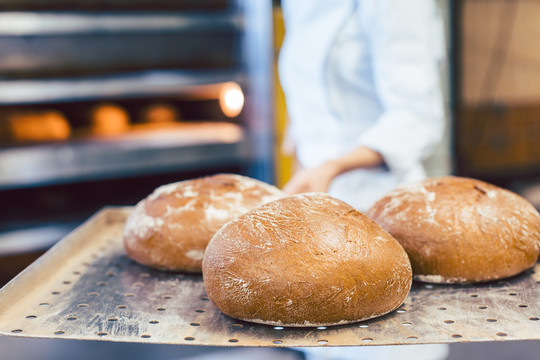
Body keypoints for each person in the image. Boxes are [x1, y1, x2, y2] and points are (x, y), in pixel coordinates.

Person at [278, 0, 449, 359]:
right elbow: (316, 87)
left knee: (380, 343)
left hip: (382, 209)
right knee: (322, 341)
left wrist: (332, 165)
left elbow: (417, 116)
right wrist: (300, 134)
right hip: (317, 210)